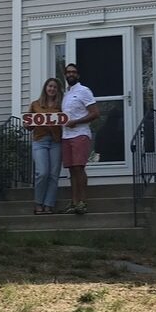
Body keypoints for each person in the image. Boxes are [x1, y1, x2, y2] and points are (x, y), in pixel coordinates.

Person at [61, 62, 100, 215]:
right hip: (66, 136)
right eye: (68, 72)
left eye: (73, 72)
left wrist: (76, 122)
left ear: (78, 75)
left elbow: (95, 113)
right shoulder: (65, 94)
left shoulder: (84, 91)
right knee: (71, 169)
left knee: (79, 167)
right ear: (65, 75)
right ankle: (74, 202)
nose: (71, 74)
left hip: (80, 134)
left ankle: (82, 202)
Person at [28, 77, 63, 215]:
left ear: (57, 90)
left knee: (54, 174)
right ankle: (38, 203)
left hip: (56, 141)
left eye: (55, 87)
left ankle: (49, 205)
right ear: (45, 88)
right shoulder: (35, 105)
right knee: (42, 173)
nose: (52, 89)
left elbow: (65, 121)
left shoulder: (61, 106)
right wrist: (27, 124)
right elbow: (29, 126)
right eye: (50, 86)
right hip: (40, 141)